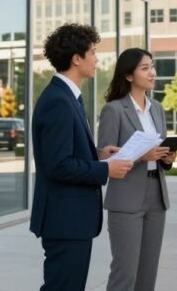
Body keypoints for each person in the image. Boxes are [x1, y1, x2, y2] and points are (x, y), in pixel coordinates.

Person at [29, 23, 134, 291]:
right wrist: (105, 171)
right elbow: (58, 166)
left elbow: (64, 155)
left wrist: (98, 157)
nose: (97, 59)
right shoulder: (58, 101)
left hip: (71, 220)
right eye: (93, 52)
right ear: (77, 59)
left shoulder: (69, 98)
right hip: (65, 221)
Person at [97, 48, 176, 291]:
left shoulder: (157, 109)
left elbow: (158, 153)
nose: (152, 72)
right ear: (129, 75)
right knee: (125, 273)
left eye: (152, 66)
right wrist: (143, 156)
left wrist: (167, 157)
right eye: (145, 68)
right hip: (126, 197)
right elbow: (104, 157)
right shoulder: (114, 110)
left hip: (156, 195)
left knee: (147, 273)